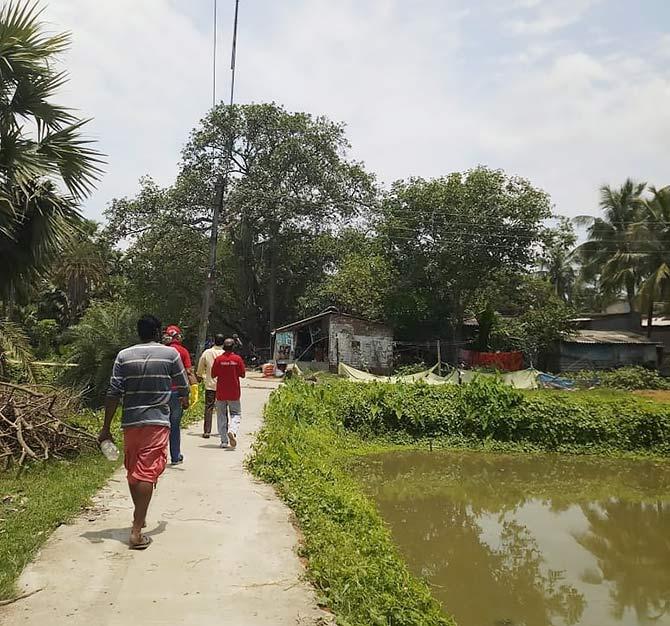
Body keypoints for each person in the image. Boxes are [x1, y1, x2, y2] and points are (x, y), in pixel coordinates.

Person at [99, 314, 189, 549]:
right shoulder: (171, 354)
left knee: (134, 469)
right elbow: (183, 386)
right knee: (147, 472)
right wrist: (182, 397)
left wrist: (105, 428)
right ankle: (137, 532)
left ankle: (139, 514)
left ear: (138, 332)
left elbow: (113, 392)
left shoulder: (124, 356)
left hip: (130, 421)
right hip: (157, 421)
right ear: (158, 332)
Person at [162, 325, 196, 465]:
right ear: (179, 336)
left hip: (161, 392)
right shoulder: (183, 351)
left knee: (161, 425)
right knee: (174, 425)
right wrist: (191, 392)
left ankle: (158, 456)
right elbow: (188, 372)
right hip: (177, 392)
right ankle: (175, 456)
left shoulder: (161, 351)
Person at [211, 337, 246, 449]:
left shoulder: (218, 359)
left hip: (221, 392)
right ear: (233, 347)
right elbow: (243, 374)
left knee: (221, 416)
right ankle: (232, 430)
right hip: (234, 392)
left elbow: (213, 374)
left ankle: (224, 441)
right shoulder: (237, 359)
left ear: (223, 347)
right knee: (236, 414)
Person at [196, 333, 225, 438]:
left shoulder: (207, 352)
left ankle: (207, 431)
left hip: (210, 384)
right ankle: (223, 430)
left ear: (214, 341)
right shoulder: (225, 354)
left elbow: (200, 366)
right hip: (223, 385)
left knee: (209, 407)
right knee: (223, 408)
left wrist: (199, 375)